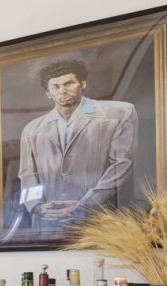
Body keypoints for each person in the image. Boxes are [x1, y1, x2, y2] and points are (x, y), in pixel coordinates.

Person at [16, 58, 136, 229]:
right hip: (48, 225)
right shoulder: (32, 129)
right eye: (55, 87)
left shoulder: (119, 113)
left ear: (82, 84)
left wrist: (86, 204)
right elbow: (27, 175)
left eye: (69, 83)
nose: (63, 91)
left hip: (101, 222)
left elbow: (122, 165)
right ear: (48, 93)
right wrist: (36, 207)